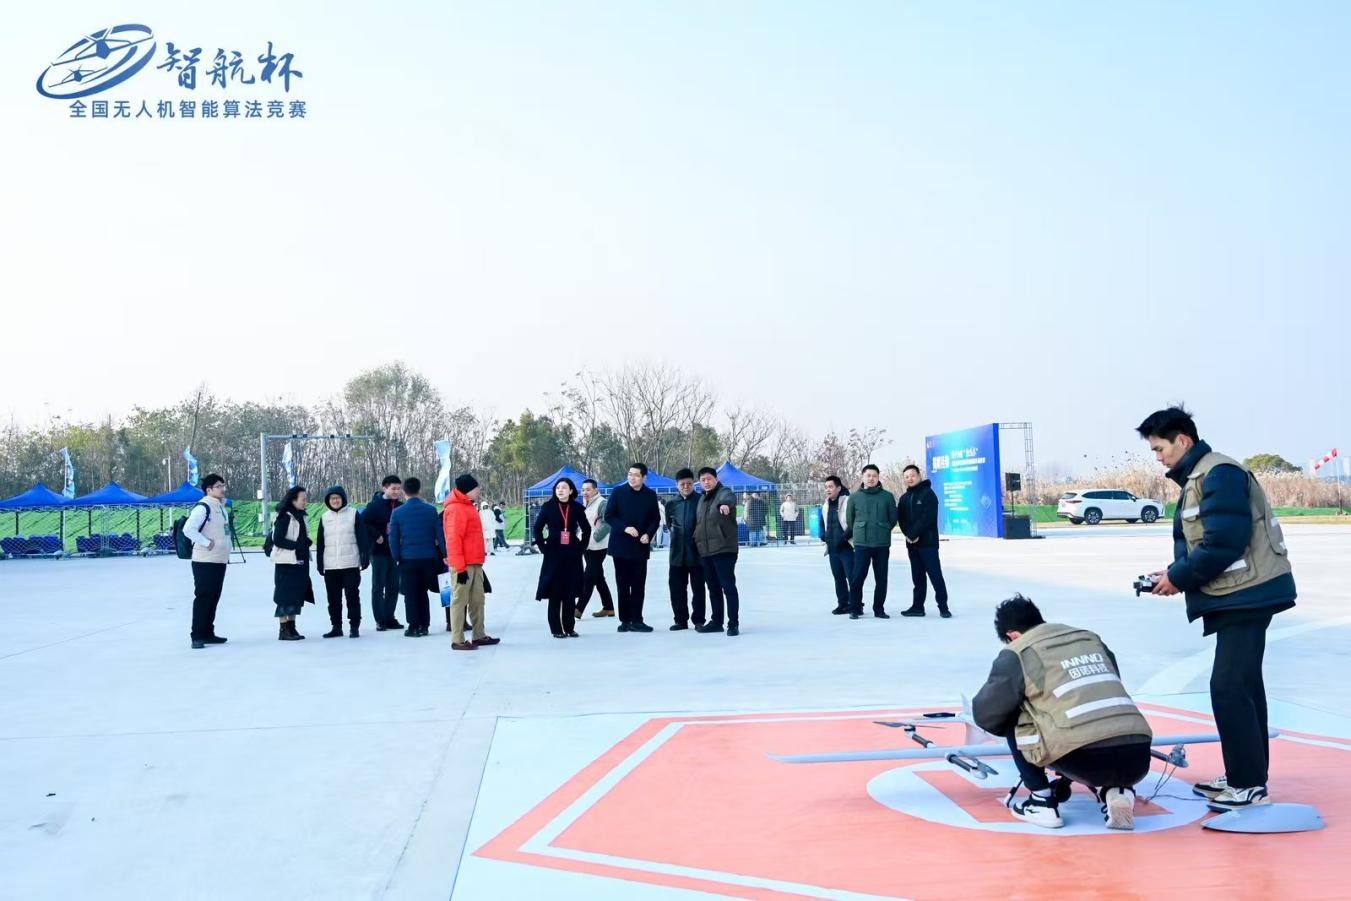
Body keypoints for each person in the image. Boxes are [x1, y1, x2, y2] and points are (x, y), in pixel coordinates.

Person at [1137, 406, 1297, 811]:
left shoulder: (1218, 473)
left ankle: (1248, 787)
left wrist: (1179, 578)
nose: (1158, 457)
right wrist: (1173, 573)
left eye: (1160, 449)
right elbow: (1208, 543)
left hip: (1248, 594)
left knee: (1227, 688)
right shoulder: (1202, 475)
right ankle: (1247, 775)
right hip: (1240, 594)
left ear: (1182, 441)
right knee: (1245, 687)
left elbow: (1224, 543)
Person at [973, 595, 1153, 830]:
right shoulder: (1090, 638)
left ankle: (1041, 801)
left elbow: (987, 713)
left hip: (1082, 757)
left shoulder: (1019, 652)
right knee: (1095, 704)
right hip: (1138, 756)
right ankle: (1119, 791)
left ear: (1012, 635)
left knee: (1011, 712)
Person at [442, 474, 499, 651]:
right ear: (467, 490)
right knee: (460, 601)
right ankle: (457, 639)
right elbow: (453, 540)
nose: (478, 490)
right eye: (476, 488)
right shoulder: (455, 509)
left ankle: (479, 635)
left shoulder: (468, 506)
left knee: (478, 600)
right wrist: (459, 568)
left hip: (475, 562)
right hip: (463, 564)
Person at [604, 463, 661, 632]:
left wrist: (648, 534)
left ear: (644, 477)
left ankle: (637, 620)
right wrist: (624, 528)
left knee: (638, 585)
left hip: (640, 546)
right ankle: (625, 620)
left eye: (636, 475)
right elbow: (609, 516)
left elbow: (655, 519)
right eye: (630, 474)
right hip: (620, 546)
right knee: (622, 585)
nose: (632, 478)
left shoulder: (650, 495)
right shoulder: (618, 492)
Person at [533, 476, 591, 638]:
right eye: (558, 488)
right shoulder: (548, 507)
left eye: (564, 487)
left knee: (570, 592)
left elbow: (586, 529)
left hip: (572, 553)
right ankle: (556, 629)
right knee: (555, 592)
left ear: (571, 490)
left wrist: (581, 547)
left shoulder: (577, 508)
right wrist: (543, 548)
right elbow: (537, 528)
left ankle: (569, 627)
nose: (560, 490)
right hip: (553, 552)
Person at [388, 477, 446, 638]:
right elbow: (439, 534)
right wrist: (444, 554)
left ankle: (413, 626)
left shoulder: (397, 512)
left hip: (408, 558)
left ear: (404, 492)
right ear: (419, 491)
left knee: (411, 593)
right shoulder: (430, 510)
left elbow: (393, 538)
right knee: (422, 592)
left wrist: (396, 557)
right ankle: (424, 626)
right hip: (428, 558)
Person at [183, 473, 231, 649]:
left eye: (223, 485)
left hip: (219, 559)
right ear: (209, 490)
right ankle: (197, 635)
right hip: (205, 560)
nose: (222, 489)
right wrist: (206, 542)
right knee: (204, 598)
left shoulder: (220, 506)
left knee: (213, 598)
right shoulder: (203, 507)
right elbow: (188, 529)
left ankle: (208, 633)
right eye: (219, 486)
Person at [315, 486, 370, 638]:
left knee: (352, 596)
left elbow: (362, 537)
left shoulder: (353, 514)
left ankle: (354, 626)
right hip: (331, 565)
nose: (335, 501)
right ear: (328, 501)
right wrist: (320, 563)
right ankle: (336, 627)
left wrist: (364, 557)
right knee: (333, 599)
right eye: (332, 498)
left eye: (337, 498)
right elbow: (320, 543)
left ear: (343, 499)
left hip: (350, 564)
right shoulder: (324, 517)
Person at [897, 464, 950, 619]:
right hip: (912, 545)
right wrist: (908, 535)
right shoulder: (904, 498)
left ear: (919, 476)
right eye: (906, 477)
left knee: (935, 576)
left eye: (912, 475)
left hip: (928, 544)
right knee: (917, 577)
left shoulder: (928, 494)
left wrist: (914, 533)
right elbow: (901, 519)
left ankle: (943, 607)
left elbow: (928, 517)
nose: (910, 479)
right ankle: (917, 607)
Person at [845, 463, 897, 619]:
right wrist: (859, 530)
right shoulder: (854, 497)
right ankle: (855, 608)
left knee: (881, 578)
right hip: (862, 543)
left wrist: (883, 528)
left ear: (878, 477)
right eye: (868, 475)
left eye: (874, 476)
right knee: (857, 577)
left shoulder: (887, 496)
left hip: (882, 543)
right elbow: (850, 520)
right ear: (862, 477)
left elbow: (893, 519)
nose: (871, 478)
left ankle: (879, 609)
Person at [694, 466, 741, 636]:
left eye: (709, 479)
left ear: (716, 479)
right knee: (713, 588)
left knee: (727, 586)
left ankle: (733, 623)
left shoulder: (724, 492)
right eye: (703, 480)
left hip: (723, 549)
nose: (706, 482)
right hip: (706, 550)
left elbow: (728, 498)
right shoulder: (702, 499)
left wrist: (725, 505)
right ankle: (716, 621)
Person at [271, 485, 315, 641]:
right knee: (285, 595)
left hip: (300, 561)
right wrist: (297, 546)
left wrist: (305, 542)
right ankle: (283, 629)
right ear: (293, 500)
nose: (305, 502)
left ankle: (292, 627)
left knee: (296, 595)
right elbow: (278, 539)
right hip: (287, 562)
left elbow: (300, 536)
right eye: (303, 499)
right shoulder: (285, 517)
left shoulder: (301, 516)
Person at [363, 475, 405, 632]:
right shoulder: (374, 506)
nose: (396, 491)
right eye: (393, 488)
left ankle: (390, 617)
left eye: (398, 489)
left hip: (395, 552)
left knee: (393, 586)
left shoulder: (401, 506)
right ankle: (380, 619)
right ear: (384, 488)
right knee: (378, 586)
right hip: (379, 551)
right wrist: (376, 535)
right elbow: (362, 523)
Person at [665, 468, 706, 630]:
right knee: (676, 588)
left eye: (689, 483)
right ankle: (680, 620)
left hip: (697, 552)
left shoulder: (701, 500)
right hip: (677, 552)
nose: (686, 487)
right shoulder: (671, 504)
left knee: (698, 588)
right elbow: (669, 524)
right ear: (677, 485)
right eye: (682, 484)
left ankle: (699, 620)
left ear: (693, 484)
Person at [577, 479, 615, 619]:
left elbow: (607, 523)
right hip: (587, 545)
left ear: (595, 490)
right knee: (598, 577)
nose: (585, 492)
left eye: (588, 489)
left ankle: (578, 609)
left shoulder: (602, 503)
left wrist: (594, 537)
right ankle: (609, 608)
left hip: (598, 546)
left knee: (588, 577)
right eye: (583, 490)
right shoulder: (586, 503)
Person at [820, 475, 852, 615]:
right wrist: (823, 536)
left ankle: (856, 605)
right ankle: (843, 604)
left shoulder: (847, 501)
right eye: (826, 487)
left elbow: (853, 523)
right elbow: (822, 523)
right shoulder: (826, 504)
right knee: (838, 578)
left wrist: (844, 539)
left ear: (838, 488)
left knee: (852, 578)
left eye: (831, 486)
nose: (828, 489)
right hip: (832, 549)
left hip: (846, 547)